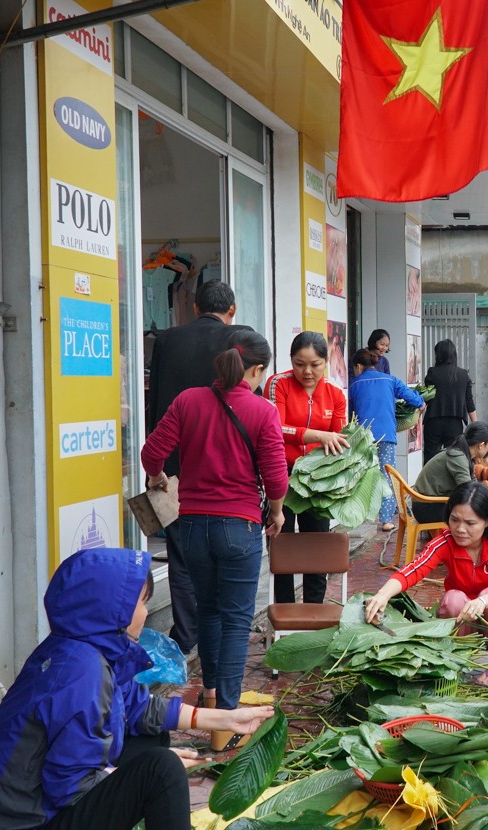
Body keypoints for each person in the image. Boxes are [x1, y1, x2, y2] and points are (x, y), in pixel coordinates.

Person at [0, 547, 274, 830]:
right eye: (142, 603)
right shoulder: (81, 672)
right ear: (113, 611)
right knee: (161, 770)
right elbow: (70, 787)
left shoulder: (81, 647)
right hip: (25, 823)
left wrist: (225, 718)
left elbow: (137, 709)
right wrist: (144, 773)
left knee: (151, 742)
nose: (146, 613)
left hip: (37, 804)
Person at [141, 329, 288, 749]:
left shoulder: (188, 401)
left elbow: (152, 453)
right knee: (237, 620)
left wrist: (157, 478)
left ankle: (209, 696)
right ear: (257, 370)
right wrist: (275, 512)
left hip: (192, 527)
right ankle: (226, 720)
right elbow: (276, 477)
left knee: (207, 611)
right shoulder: (262, 410)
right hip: (238, 527)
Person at [144, 280, 250, 658]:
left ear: (194, 307)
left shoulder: (168, 340)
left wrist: (157, 464)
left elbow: (156, 401)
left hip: (175, 460)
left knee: (181, 555)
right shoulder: (240, 338)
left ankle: (185, 632)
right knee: (225, 554)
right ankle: (218, 631)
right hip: (224, 462)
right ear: (232, 309)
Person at [364, 481, 488, 636]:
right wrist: (383, 595)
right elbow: (414, 569)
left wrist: (483, 601)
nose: (460, 529)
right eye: (454, 520)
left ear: (487, 522)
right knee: (453, 599)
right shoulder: (445, 542)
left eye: (470, 523)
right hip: (462, 619)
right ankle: (460, 652)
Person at [264, 332, 349, 604]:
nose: (307, 371)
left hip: (318, 481)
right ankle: (284, 610)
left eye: (315, 364)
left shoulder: (335, 394)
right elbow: (275, 427)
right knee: (282, 542)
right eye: (300, 364)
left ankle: (315, 609)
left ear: (326, 362)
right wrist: (316, 435)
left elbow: (339, 438)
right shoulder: (278, 384)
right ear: (291, 360)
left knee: (318, 543)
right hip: (282, 475)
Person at [348, 348, 426, 531]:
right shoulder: (390, 380)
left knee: (362, 475)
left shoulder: (354, 385)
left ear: (358, 366)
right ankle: (386, 520)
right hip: (386, 435)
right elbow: (410, 396)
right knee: (387, 475)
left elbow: (350, 413)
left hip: (362, 437)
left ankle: (360, 517)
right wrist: (420, 403)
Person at [412, 421, 488, 522]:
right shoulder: (458, 457)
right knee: (481, 513)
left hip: (434, 502)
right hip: (426, 507)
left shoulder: (463, 455)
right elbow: (469, 491)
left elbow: (473, 485)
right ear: (481, 445)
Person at [422, 338, 478, 463]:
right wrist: (476, 424)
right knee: (453, 458)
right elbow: (469, 402)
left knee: (430, 459)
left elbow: (425, 398)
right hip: (455, 424)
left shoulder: (433, 373)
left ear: (439, 355)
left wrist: (415, 418)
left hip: (433, 422)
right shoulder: (463, 375)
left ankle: (429, 482)